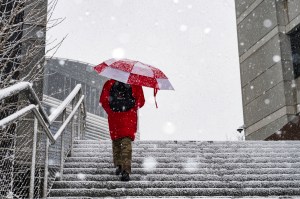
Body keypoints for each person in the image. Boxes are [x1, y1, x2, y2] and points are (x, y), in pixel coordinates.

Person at [100, 79, 145, 181]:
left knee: (116, 142)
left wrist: (112, 111)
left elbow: (103, 101)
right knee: (126, 143)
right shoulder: (135, 84)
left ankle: (119, 165)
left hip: (114, 118)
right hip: (129, 119)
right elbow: (141, 102)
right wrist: (131, 107)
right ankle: (126, 170)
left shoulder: (109, 83)